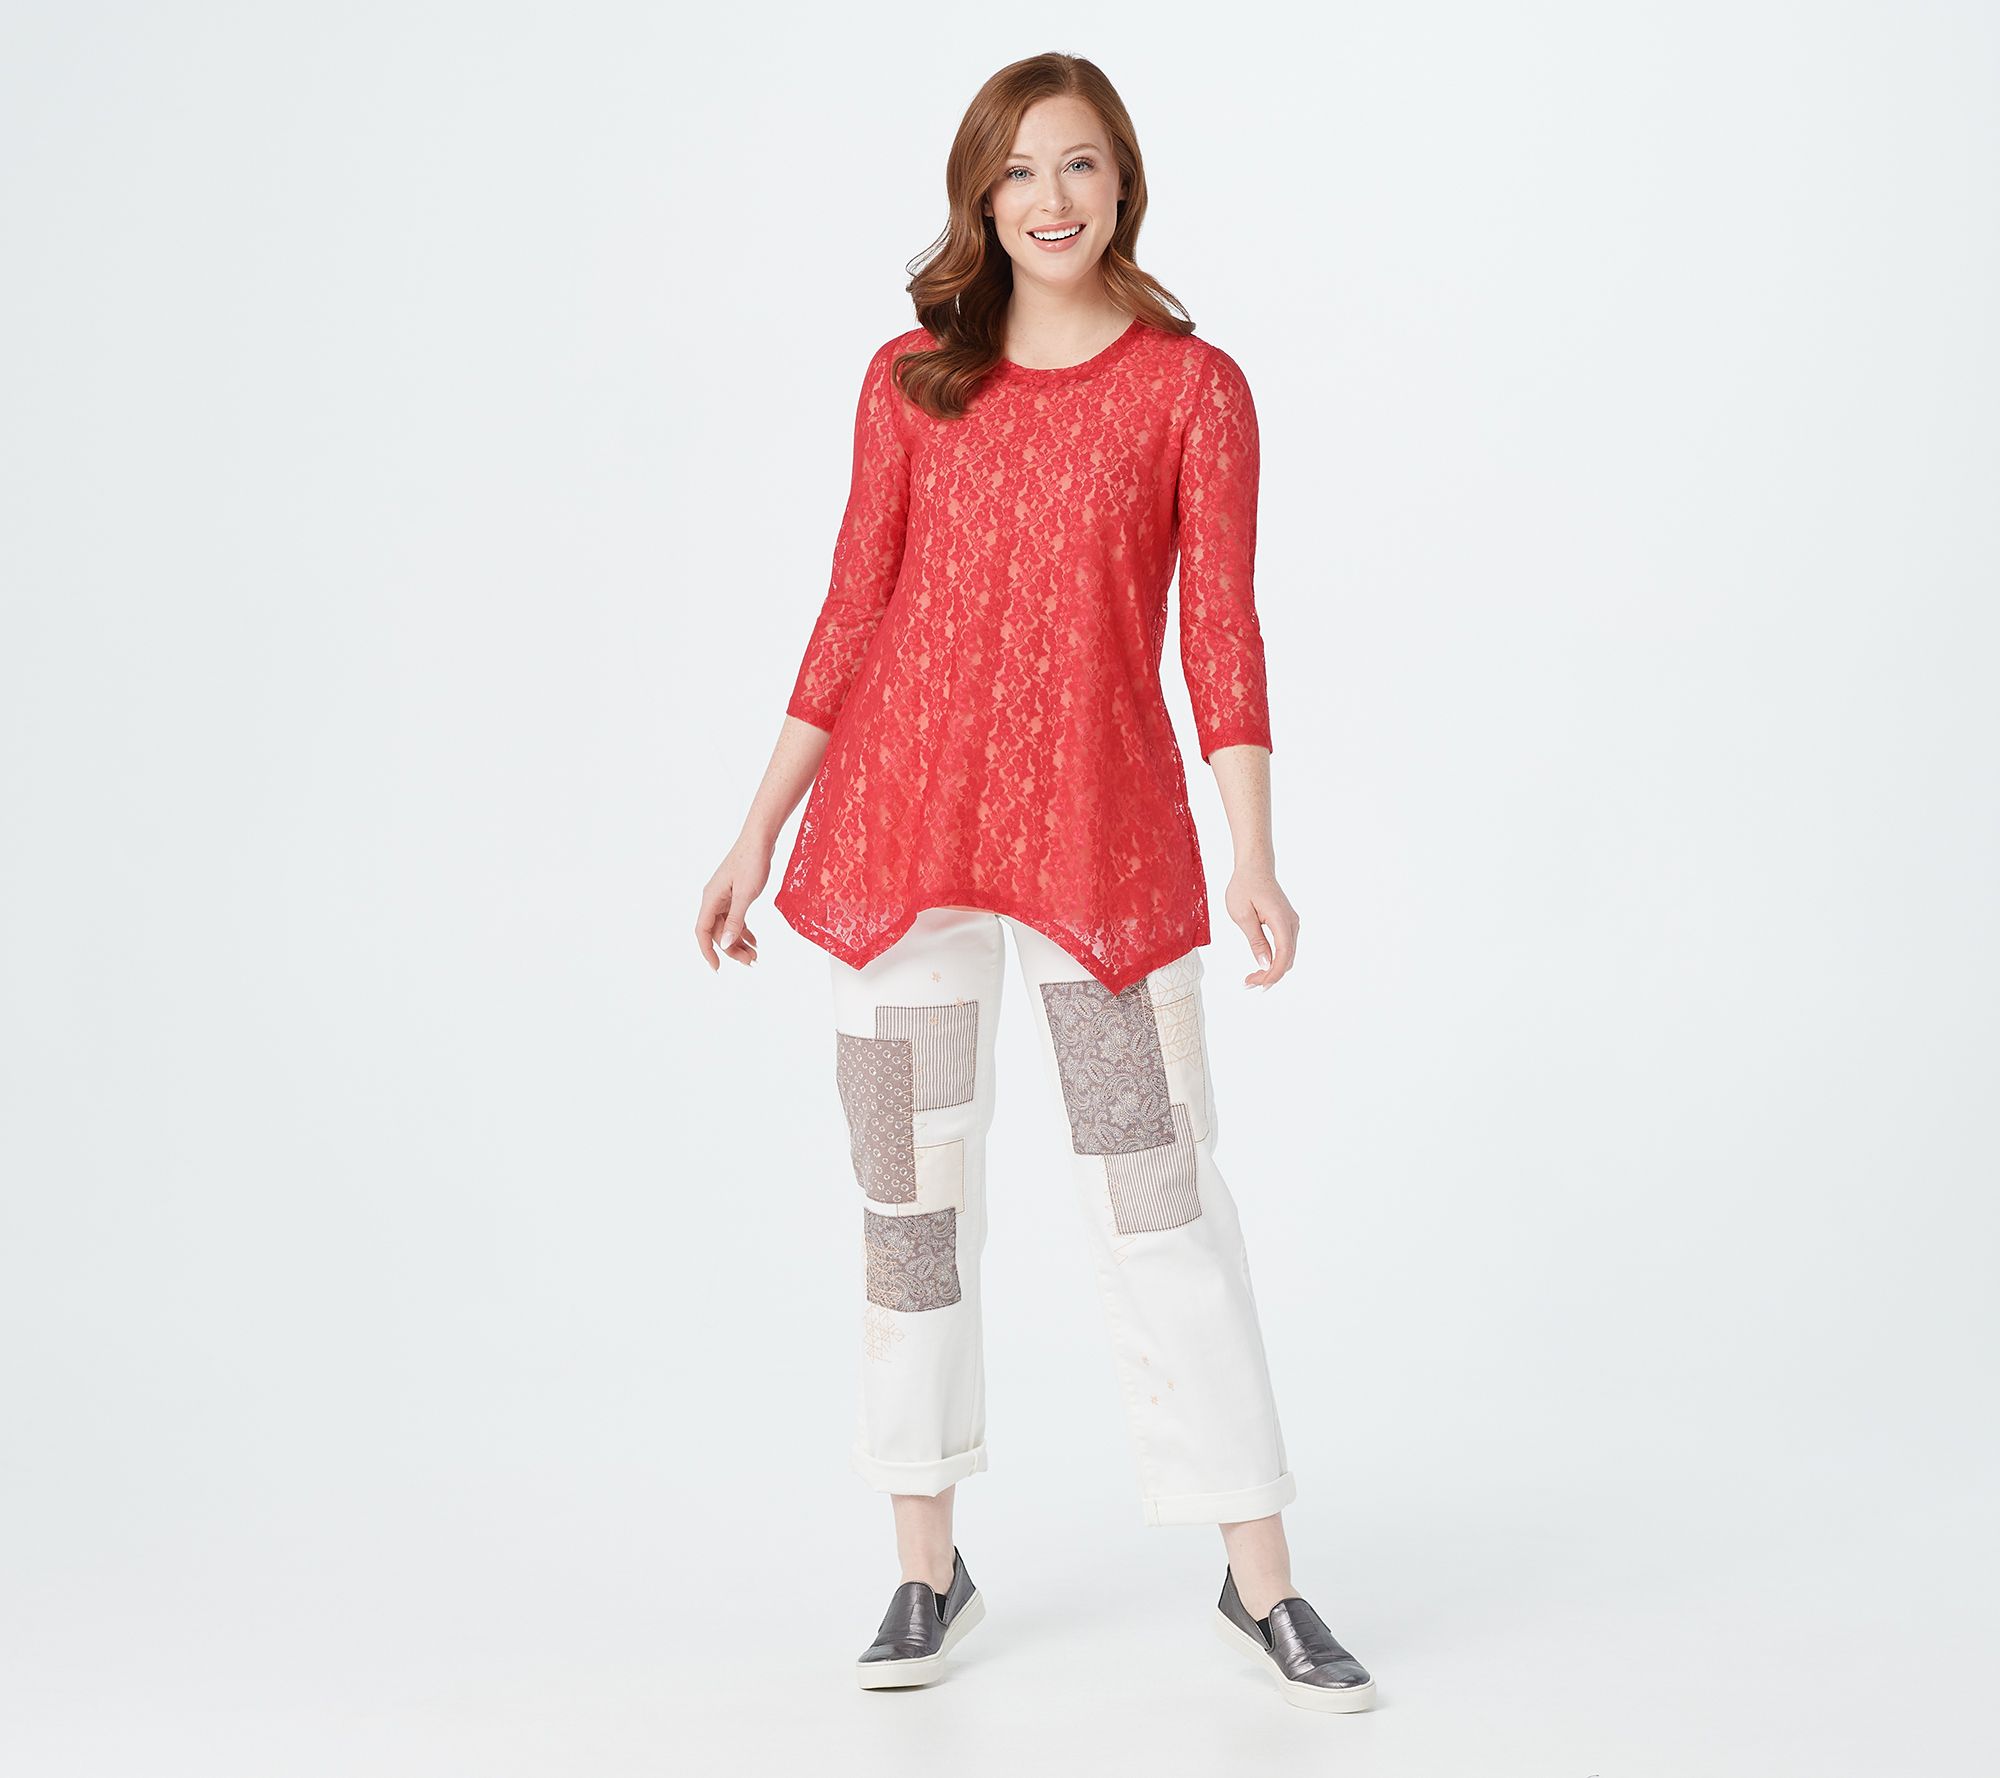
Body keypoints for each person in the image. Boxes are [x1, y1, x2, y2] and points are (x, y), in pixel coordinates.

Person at [695, 51, 1376, 1714]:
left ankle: (1262, 1576)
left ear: (1123, 180)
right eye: (1016, 172)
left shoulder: (1192, 391)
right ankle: (925, 1563)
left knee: (1162, 1200)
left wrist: (1255, 850)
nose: (1049, 200)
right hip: (896, 844)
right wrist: (759, 825)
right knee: (909, 1207)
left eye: (1077, 165)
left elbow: (1221, 632)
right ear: (979, 198)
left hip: (1103, 851)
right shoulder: (910, 380)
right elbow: (853, 608)